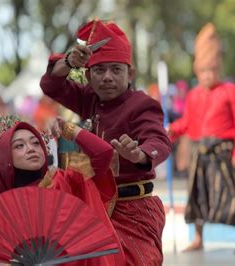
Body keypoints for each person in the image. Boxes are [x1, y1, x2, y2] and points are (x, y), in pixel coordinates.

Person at [40, 19, 171, 265]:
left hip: (133, 210)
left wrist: (140, 155)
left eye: (116, 70)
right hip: (93, 206)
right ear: (88, 76)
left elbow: (159, 141)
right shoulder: (89, 98)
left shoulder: (142, 104)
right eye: (99, 71)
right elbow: (50, 85)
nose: (107, 77)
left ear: (130, 74)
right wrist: (69, 61)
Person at [0, 115, 124, 266]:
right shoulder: (3, 208)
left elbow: (103, 153)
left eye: (36, 143)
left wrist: (69, 129)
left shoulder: (65, 182)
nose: (31, 149)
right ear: (5, 156)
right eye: (19, 146)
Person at [168, 23, 235, 253]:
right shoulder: (193, 95)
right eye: (203, 71)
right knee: (197, 195)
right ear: (197, 71)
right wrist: (171, 129)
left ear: (218, 69)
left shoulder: (232, 91)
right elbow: (187, 123)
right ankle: (198, 238)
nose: (207, 75)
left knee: (232, 194)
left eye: (211, 70)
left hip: (223, 150)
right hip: (199, 150)